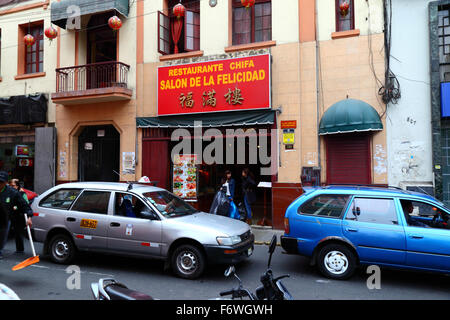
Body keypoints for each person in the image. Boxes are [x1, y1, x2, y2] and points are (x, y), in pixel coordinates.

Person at [0, 171, 33, 259]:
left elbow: (24, 205)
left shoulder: (13, 193)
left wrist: (29, 217)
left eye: (1, 182)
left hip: (4, 219)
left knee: (1, 238)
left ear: (6, 182)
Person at [8, 179, 29, 254]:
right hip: (12, 214)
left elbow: (26, 204)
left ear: (17, 186)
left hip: (20, 215)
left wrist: (16, 207)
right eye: (10, 186)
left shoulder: (22, 193)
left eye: (13, 186)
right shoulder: (10, 193)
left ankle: (20, 249)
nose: (11, 187)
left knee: (18, 232)